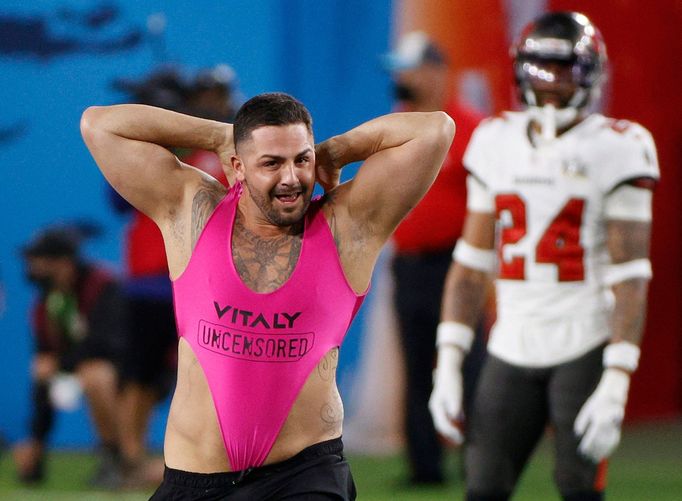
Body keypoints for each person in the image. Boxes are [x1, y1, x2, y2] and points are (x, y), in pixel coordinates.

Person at [81, 92, 455, 499]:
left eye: (301, 160)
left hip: (303, 476)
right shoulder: (191, 210)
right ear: (238, 167)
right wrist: (218, 135)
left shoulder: (348, 225)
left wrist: (336, 151)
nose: (291, 177)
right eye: (272, 163)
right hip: (195, 481)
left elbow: (435, 129)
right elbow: (100, 125)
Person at [429, 12, 659, 501]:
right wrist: (447, 361)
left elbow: (631, 275)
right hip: (511, 344)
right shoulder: (495, 140)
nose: (552, 81)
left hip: (585, 341)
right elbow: (471, 265)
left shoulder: (620, 146)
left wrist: (618, 376)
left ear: (591, 72)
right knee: (483, 487)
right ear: (521, 70)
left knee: (578, 489)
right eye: (542, 67)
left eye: (565, 69)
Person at [108, 65, 239, 488]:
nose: (209, 102)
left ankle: (215, 459)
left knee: (207, 373)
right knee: (139, 375)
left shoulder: (232, 150)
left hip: (203, 280)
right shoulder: (161, 152)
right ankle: (128, 460)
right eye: (201, 94)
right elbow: (116, 197)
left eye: (215, 94)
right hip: (150, 279)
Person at [381, 31, 485, 484]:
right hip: (409, 267)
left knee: (472, 365)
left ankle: (482, 463)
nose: (402, 78)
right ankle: (425, 470)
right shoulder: (394, 129)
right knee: (416, 364)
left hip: (457, 267)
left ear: (436, 72)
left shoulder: (470, 127)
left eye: (410, 68)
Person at [14, 225, 127, 486]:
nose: (33, 269)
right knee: (46, 368)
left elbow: (107, 344)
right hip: (79, 371)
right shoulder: (45, 304)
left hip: (130, 377)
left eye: (39, 261)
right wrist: (37, 442)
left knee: (94, 373)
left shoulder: (104, 286)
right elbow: (44, 371)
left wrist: (60, 363)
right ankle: (35, 455)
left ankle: (115, 457)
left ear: (64, 263)